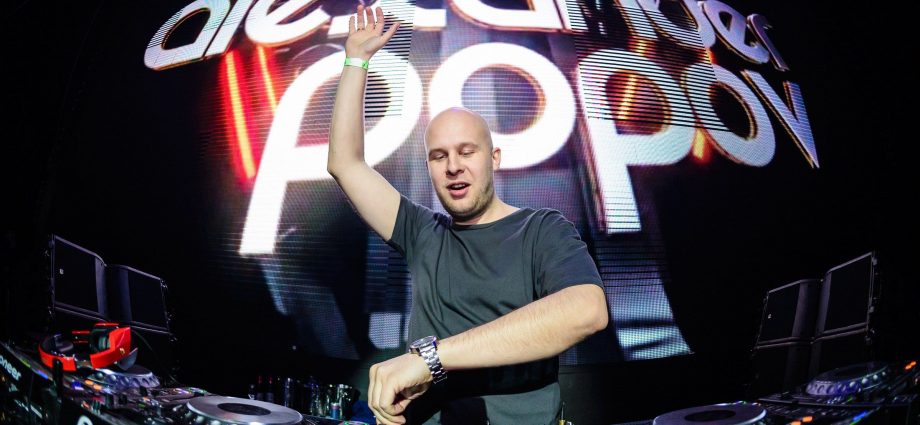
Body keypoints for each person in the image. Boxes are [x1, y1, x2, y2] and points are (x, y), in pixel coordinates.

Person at [327, 5, 609, 425]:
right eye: (439, 156)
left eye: (466, 152)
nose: (453, 166)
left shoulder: (541, 229)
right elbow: (345, 164)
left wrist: (431, 359)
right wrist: (356, 61)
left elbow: (587, 310)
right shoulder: (421, 231)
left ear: (494, 158)